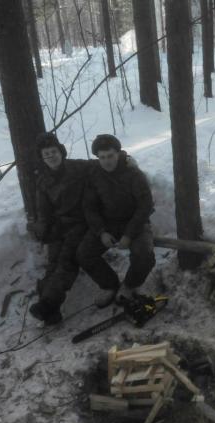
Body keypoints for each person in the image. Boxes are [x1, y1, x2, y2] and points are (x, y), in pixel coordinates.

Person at [77, 134, 156, 304]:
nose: (107, 161)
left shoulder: (133, 173)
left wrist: (129, 234)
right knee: (84, 254)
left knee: (144, 254)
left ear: (118, 154)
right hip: (108, 224)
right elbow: (89, 207)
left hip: (135, 223)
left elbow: (145, 206)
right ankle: (110, 285)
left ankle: (129, 285)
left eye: (110, 155)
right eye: (102, 157)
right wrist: (101, 232)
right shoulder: (94, 175)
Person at [28, 132, 89, 325]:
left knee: (66, 261)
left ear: (61, 152)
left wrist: (123, 157)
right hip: (59, 228)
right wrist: (42, 230)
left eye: (53, 152)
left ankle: (48, 303)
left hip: (80, 224)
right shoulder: (43, 182)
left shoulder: (77, 167)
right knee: (53, 263)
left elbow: (100, 166)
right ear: (42, 159)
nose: (51, 157)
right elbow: (43, 211)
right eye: (46, 155)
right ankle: (50, 309)